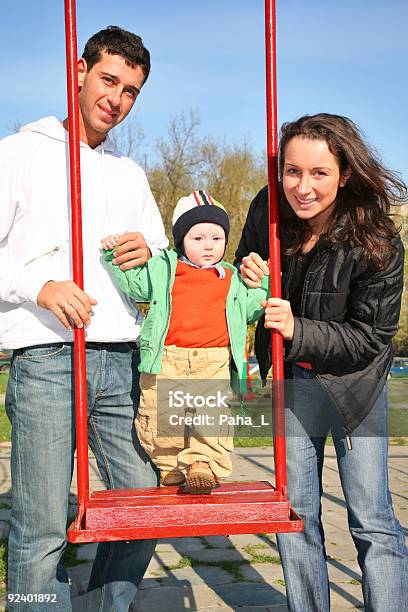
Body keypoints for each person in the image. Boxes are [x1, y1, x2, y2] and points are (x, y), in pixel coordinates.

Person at [0, 26, 168, 611]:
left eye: (132, 91)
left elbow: (161, 259)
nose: (117, 99)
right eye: (109, 79)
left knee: (141, 501)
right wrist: (38, 285)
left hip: (119, 359)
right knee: (43, 523)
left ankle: (104, 606)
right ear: (78, 69)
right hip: (47, 360)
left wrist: (152, 254)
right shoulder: (18, 152)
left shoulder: (130, 174)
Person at [235, 113, 408, 611]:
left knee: (372, 519)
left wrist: (296, 329)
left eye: (319, 173)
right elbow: (240, 275)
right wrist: (245, 269)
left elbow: (370, 336)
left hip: (357, 388)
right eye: (292, 172)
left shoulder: (377, 240)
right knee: (295, 517)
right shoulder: (268, 209)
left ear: (345, 174)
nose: (302, 187)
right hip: (295, 384)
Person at [101, 190, 269, 493]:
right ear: (181, 241)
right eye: (198, 238)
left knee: (211, 416)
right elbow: (136, 284)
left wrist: (263, 283)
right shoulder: (164, 268)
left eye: (216, 239)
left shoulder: (231, 278)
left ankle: (202, 464)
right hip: (167, 359)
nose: (208, 246)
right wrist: (114, 256)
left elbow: (252, 307)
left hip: (213, 361)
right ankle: (170, 470)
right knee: (161, 420)